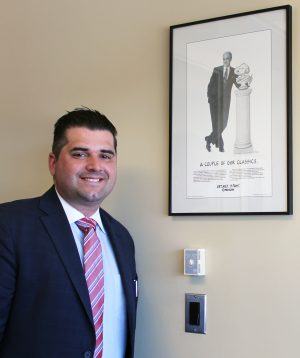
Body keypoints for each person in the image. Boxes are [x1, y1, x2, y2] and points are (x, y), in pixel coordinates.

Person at [0, 108, 138, 358]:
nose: (95, 166)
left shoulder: (122, 238)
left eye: (106, 155)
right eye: (80, 153)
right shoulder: (9, 225)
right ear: (53, 163)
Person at [205, 51, 239, 152]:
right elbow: (210, 85)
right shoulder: (217, 70)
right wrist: (209, 98)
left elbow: (238, 85)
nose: (225, 61)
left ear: (230, 59)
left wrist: (247, 82)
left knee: (223, 123)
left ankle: (209, 139)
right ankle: (220, 146)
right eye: (224, 59)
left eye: (227, 59)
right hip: (214, 102)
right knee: (216, 125)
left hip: (225, 103)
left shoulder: (234, 71)